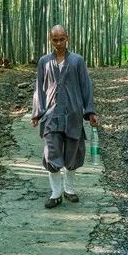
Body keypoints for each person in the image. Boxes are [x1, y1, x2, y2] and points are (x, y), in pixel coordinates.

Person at [31, 25, 99, 208]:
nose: (59, 43)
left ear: (67, 38)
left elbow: (86, 86)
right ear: (50, 39)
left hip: (74, 113)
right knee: (51, 152)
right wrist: (37, 113)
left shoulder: (77, 60)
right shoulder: (44, 61)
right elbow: (39, 88)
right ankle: (55, 193)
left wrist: (90, 111)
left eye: (62, 39)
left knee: (72, 152)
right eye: (55, 39)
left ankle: (69, 189)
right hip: (51, 115)